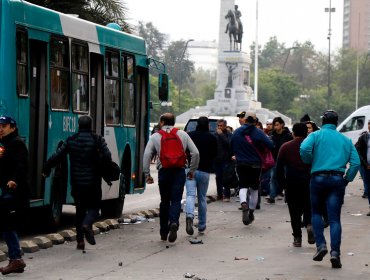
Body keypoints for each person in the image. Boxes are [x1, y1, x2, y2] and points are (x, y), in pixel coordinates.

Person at [300, 110, 360, 269]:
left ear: (323, 121)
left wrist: (311, 161)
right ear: (336, 121)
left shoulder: (315, 136)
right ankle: (335, 254)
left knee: (316, 213)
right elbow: (355, 163)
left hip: (318, 178)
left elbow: (304, 149)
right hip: (336, 180)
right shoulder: (345, 140)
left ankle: (321, 245)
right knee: (334, 219)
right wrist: (347, 179)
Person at [43, 115, 112, 250]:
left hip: (77, 182)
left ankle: (80, 241)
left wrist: (47, 166)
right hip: (93, 182)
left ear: (78, 126)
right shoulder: (97, 139)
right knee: (94, 207)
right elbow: (108, 156)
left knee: (79, 210)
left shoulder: (71, 140)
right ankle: (87, 224)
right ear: (91, 125)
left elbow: (58, 155)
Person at [143, 113, 199, 242]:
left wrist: (147, 174)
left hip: (164, 172)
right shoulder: (183, 135)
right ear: (173, 122)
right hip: (179, 171)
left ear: (161, 122)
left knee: (164, 201)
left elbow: (146, 155)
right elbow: (195, 152)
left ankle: (163, 232)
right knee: (176, 200)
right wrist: (192, 170)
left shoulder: (155, 136)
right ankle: (174, 222)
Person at [231, 112, 273, 225]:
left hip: (241, 163)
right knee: (254, 188)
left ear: (245, 120)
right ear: (255, 121)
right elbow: (270, 145)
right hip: (256, 164)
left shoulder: (237, 132)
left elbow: (231, 145)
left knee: (243, 185)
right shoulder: (258, 132)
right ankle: (251, 212)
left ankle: (243, 203)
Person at [276, 123, 314, 247]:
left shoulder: (285, 147)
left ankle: (297, 237)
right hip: (308, 182)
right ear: (306, 133)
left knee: (294, 212)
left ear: (293, 133)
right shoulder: (312, 147)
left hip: (291, 183)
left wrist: (282, 185)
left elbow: (279, 169)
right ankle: (309, 225)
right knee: (308, 207)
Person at [0, 115, 28, 275]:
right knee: (6, 224)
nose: (0, 129)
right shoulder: (6, 144)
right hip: (7, 191)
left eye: (4, 126)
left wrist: (14, 180)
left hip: (15, 192)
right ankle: (15, 259)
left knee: (8, 224)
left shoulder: (17, 143)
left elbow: (21, 164)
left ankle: (16, 259)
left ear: (12, 127)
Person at [185, 117, 217, 235]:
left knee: (190, 195)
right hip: (204, 171)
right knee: (202, 198)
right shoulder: (212, 138)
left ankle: (189, 216)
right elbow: (215, 154)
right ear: (208, 125)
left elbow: (186, 151)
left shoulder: (190, 136)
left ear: (197, 125)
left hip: (191, 170)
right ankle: (202, 225)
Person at [266, 117, 293, 204]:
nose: (275, 127)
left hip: (285, 160)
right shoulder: (272, 135)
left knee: (286, 178)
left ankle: (288, 196)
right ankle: (272, 196)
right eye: (274, 125)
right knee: (273, 178)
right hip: (275, 159)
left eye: (277, 125)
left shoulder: (288, 135)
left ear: (282, 125)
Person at [214, 119, 233, 202]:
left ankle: (227, 195)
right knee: (218, 177)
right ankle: (219, 194)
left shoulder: (228, 134)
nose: (219, 127)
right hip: (217, 159)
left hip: (226, 159)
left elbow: (229, 143)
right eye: (218, 125)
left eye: (221, 126)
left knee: (226, 178)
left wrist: (221, 135)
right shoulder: (215, 135)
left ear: (225, 126)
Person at [355, 120, 370, 213]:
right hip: (367, 167)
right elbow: (358, 151)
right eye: (369, 123)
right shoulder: (363, 137)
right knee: (368, 188)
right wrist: (365, 164)